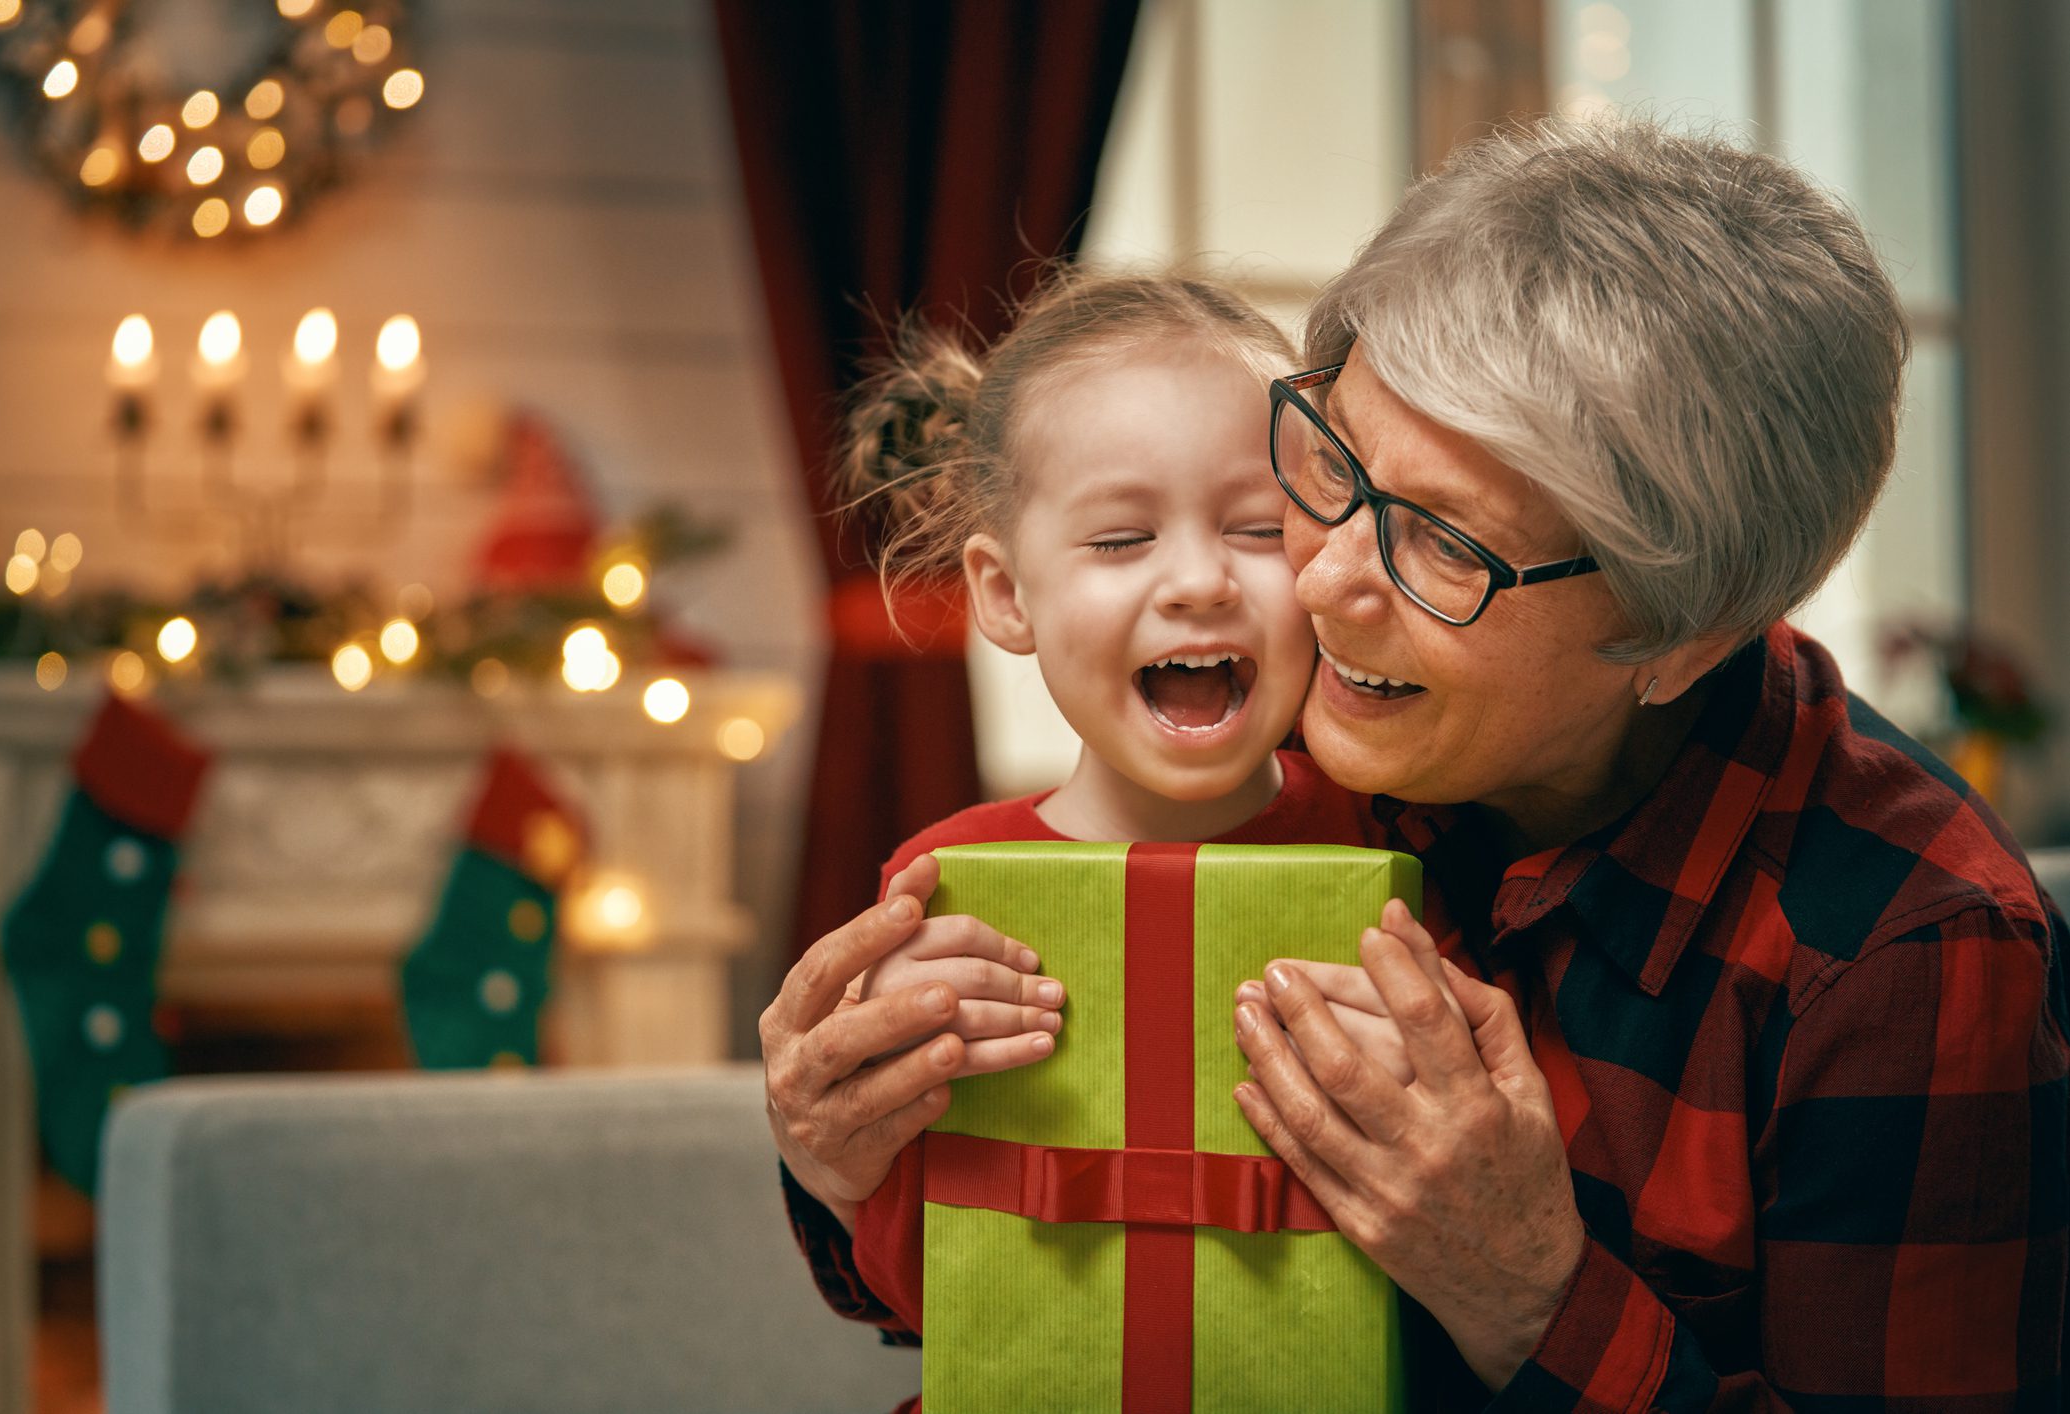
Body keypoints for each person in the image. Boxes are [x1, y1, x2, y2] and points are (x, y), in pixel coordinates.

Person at [763, 116, 2069, 1409]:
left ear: (1678, 637)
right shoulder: (1273, 735)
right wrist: (840, 1153)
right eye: (1329, 466)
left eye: (1446, 544)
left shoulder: (1909, 954)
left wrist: (1527, 1290)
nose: (1317, 580)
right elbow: (1049, 1284)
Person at [801, 271, 1431, 1353]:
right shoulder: (939, 889)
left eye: (1254, 529)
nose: (1197, 582)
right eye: (1119, 540)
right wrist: (863, 1145)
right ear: (1005, 595)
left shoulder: (1402, 838)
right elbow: (925, 1298)